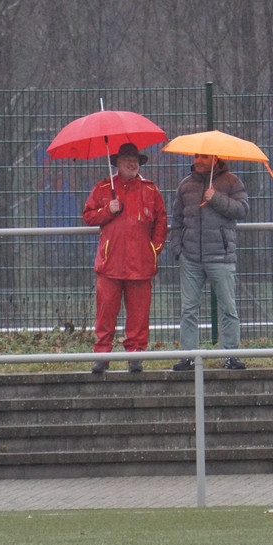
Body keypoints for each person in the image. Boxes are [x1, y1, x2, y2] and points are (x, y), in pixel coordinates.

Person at [82, 142, 168, 374]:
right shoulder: (102, 189)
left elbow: (161, 221)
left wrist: (154, 249)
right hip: (110, 264)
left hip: (141, 265)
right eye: (127, 159)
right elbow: (88, 216)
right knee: (105, 313)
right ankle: (102, 355)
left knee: (139, 315)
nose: (132, 164)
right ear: (117, 163)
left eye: (136, 160)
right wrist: (108, 210)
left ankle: (136, 355)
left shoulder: (151, 191)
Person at [168, 154, 249, 370]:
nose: (198, 160)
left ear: (215, 159)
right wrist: (178, 249)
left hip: (220, 256)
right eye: (196, 156)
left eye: (204, 156)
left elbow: (242, 209)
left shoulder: (232, 182)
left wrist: (216, 198)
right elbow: (176, 219)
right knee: (189, 309)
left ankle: (230, 355)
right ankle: (188, 356)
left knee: (228, 308)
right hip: (191, 257)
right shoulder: (185, 185)